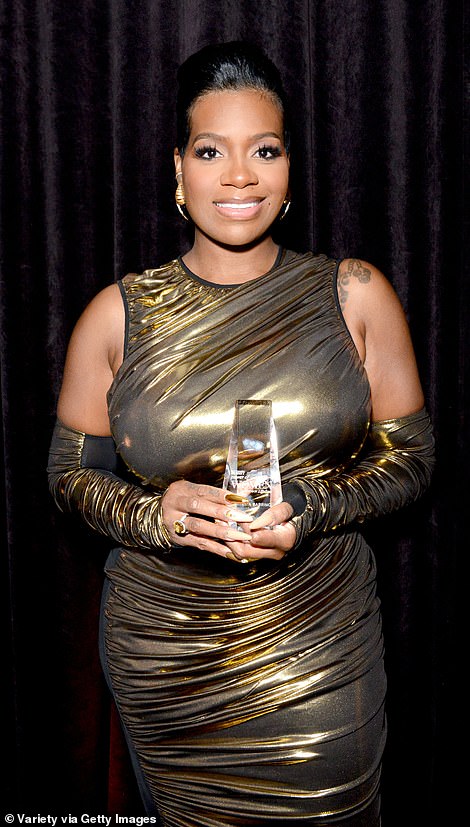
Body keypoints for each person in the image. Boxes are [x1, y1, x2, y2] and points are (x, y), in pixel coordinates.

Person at [48, 41, 435, 827]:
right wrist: (158, 512)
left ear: (290, 167)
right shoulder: (118, 314)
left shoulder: (354, 295)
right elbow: (68, 474)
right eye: (210, 150)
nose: (239, 175)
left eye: (265, 149)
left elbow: (414, 460)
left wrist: (311, 504)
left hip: (318, 644)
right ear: (179, 170)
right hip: (166, 659)